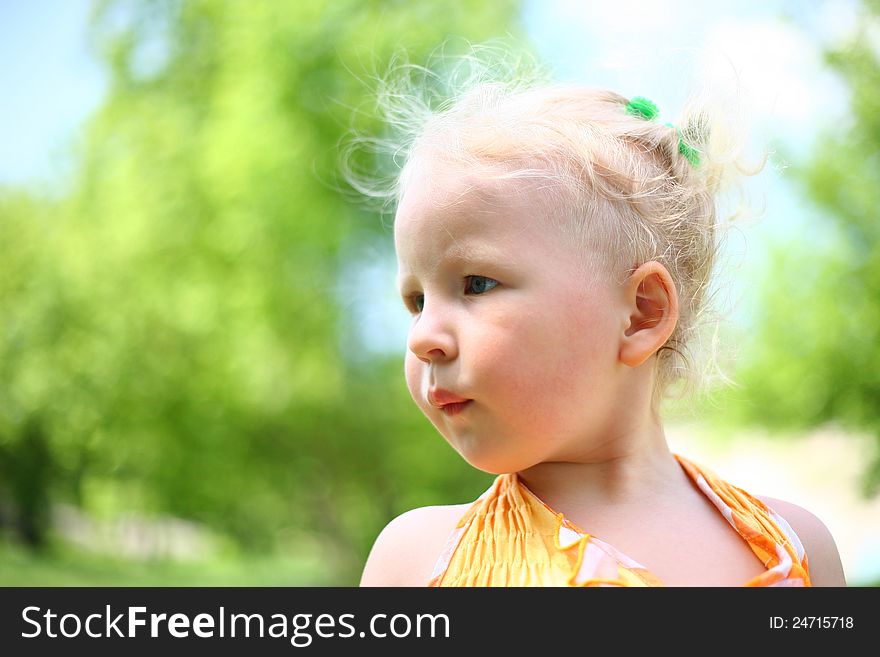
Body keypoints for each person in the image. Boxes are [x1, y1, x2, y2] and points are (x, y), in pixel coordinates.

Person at [353, 44, 847, 587]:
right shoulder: (419, 560)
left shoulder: (792, 545)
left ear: (641, 313)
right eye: (416, 301)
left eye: (476, 284)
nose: (424, 336)